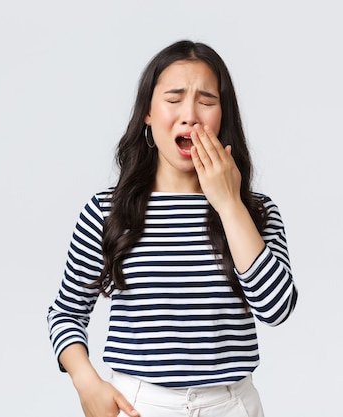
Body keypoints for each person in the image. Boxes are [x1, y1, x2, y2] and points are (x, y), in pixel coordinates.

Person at [47, 39, 298, 417]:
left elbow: (277, 307)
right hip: (139, 405)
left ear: (222, 117)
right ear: (147, 112)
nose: (190, 115)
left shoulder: (256, 211)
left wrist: (228, 203)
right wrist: (87, 382)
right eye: (174, 98)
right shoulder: (106, 211)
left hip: (231, 405)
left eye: (207, 102)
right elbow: (66, 313)